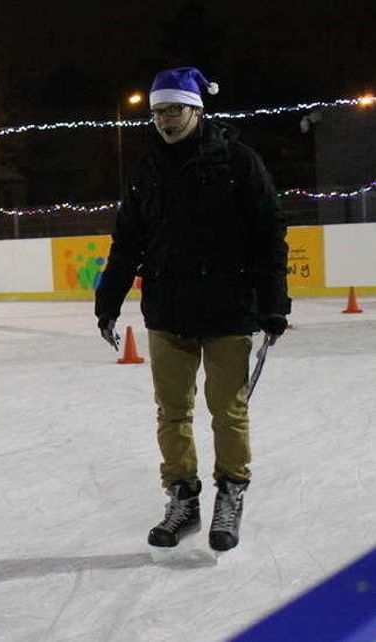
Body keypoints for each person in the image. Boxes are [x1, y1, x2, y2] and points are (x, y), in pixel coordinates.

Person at [94, 67, 290, 552]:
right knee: (172, 413)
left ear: (197, 110)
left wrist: (273, 304)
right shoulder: (146, 171)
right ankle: (183, 497)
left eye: (173, 110)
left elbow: (269, 235)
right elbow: (127, 244)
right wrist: (108, 301)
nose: (164, 120)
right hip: (167, 311)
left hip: (228, 310)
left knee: (228, 411)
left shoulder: (239, 162)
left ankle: (231, 492)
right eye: (157, 112)